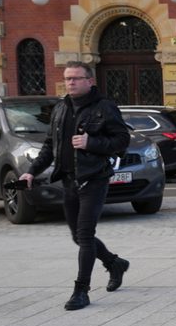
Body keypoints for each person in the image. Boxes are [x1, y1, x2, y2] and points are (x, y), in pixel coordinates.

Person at [19, 62, 132, 311]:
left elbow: (122, 140)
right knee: (78, 237)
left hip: (94, 178)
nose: (70, 83)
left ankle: (81, 290)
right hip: (69, 180)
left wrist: (92, 142)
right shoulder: (60, 108)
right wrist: (31, 172)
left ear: (90, 81)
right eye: (68, 79)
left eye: (76, 79)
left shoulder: (105, 107)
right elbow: (50, 146)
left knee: (84, 234)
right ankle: (115, 263)